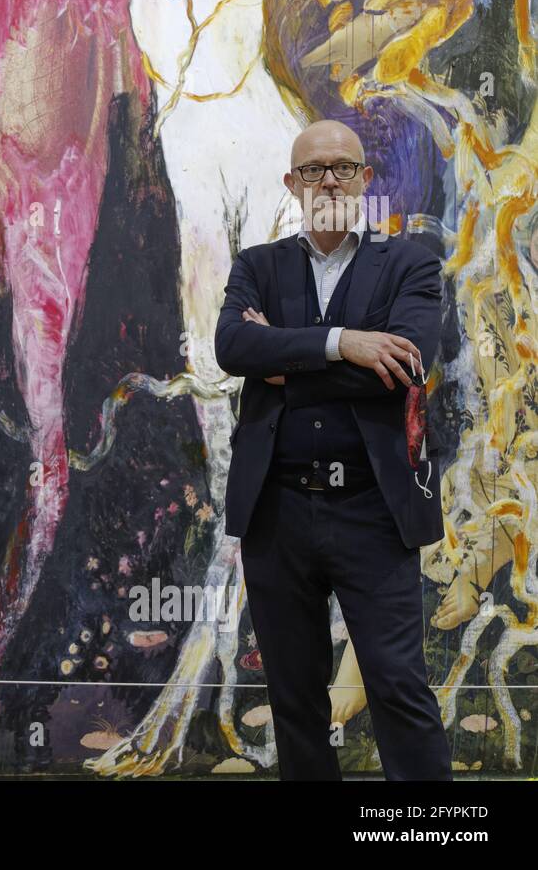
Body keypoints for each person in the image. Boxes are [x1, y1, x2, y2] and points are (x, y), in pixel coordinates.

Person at [214, 119, 452, 780]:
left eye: (342, 167)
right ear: (292, 183)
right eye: (313, 170)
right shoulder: (257, 266)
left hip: (374, 510)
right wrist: (343, 343)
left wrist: (284, 357)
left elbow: (405, 365)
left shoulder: (410, 262)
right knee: (294, 699)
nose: (328, 180)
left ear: (365, 180)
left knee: (399, 689)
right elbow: (232, 348)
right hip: (277, 511)